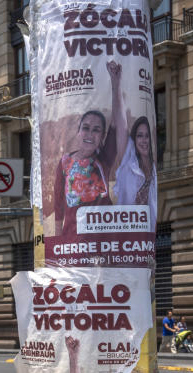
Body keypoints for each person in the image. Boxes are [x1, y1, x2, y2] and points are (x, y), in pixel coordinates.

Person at [50, 61, 123, 243]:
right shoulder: (65, 162)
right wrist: (59, 240)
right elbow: (58, 203)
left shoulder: (104, 159)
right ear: (78, 131)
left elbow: (117, 122)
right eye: (86, 128)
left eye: (96, 130)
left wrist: (115, 83)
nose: (90, 134)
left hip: (104, 240)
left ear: (102, 136)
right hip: (73, 241)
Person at [113, 115, 157, 230]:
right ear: (134, 139)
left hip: (147, 235)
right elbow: (121, 122)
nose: (144, 140)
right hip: (126, 231)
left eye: (147, 136)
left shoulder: (153, 169)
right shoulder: (128, 166)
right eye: (140, 136)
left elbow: (154, 208)